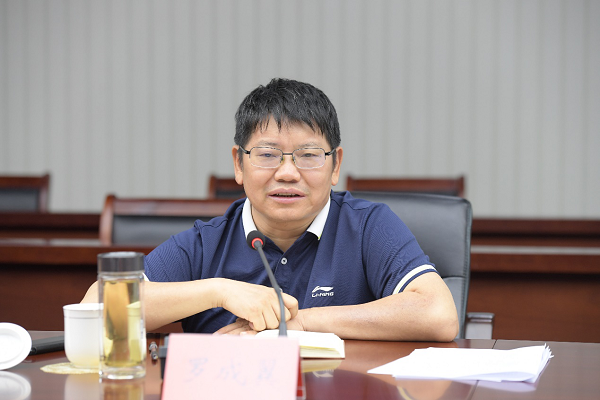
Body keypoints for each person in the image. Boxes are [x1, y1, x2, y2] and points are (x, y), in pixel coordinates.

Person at [82, 78, 458, 341]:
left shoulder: (367, 226)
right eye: (267, 155)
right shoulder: (205, 244)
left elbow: (439, 314)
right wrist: (217, 291)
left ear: (336, 165)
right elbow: (96, 310)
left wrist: (301, 323)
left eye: (308, 155)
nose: (288, 173)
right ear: (238, 164)